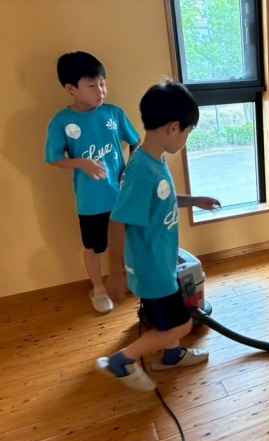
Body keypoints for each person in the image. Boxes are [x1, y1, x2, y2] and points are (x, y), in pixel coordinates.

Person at [96, 80, 221, 391]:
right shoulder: (141, 171)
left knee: (168, 319)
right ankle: (121, 361)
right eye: (188, 133)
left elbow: (162, 199)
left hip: (160, 261)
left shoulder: (155, 160)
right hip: (151, 267)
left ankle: (172, 355)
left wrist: (195, 200)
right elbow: (117, 221)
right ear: (173, 127)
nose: (186, 140)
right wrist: (116, 272)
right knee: (181, 324)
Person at [45, 51, 141, 314]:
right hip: (91, 202)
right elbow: (53, 158)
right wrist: (81, 163)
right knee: (93, 246)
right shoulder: (62, 121)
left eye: (103, 84)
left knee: (126, 240)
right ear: (71, 89)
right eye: (92, 86)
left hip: (121, 196)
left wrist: (129, 169)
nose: (101, 91)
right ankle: (98, 288)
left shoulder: (114, 113)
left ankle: (125, 278)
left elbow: (136, 142)